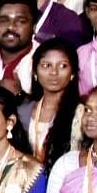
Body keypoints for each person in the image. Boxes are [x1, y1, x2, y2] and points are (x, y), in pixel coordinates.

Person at [18, 38, 84, 168]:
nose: (54, 72)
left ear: (72, 73)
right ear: (35, 72)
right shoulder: (22, 111)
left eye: (62, 66)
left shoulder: (82, 113)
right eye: (46, 65)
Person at [0, 0, 39, 95]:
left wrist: (20, 97)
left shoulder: (43, 63)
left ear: (34, 27)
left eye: (20, 21)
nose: (11, 27)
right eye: (3, 21)